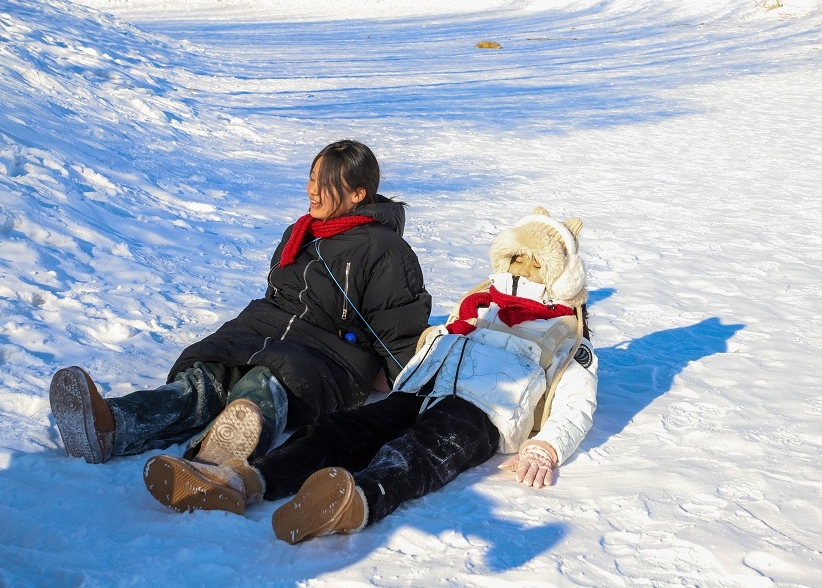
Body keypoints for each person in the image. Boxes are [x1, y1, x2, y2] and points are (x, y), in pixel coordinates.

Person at [142, 207, 598, 542]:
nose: (523, 269)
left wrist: (547, 446)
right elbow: (431, 346)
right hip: (421, 390)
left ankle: (352, 501)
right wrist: (401, 372)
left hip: (485, 412)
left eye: (535, 263)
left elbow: (577, 399)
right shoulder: (479, 307)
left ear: (560, 276)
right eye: (517, 258)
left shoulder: (564, 331)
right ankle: (245, 480)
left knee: (419, 451)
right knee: (343, 429)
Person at [49, 139, 432, 467]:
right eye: (312, 177)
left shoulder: (385, 249)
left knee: (264, 382)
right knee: (206, 376)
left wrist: (400, 377)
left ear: (358, 194)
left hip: (330, 355)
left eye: (326, 182)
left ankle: (217, 457)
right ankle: (113, 425)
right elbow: (279, 294)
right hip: (266, 329)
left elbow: (399, 323)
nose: (313, 190)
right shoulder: (300, 232)